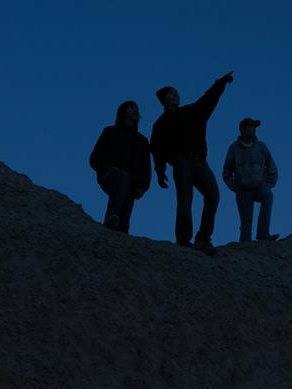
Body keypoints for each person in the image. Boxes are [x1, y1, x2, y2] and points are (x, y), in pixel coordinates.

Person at [150, 72, 234, 254]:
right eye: (171, 94)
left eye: (176, 92)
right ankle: (183, 240)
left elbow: (208, 99)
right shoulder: (160, 124)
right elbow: (157, 148)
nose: (175, 95)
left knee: (213, 195)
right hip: (181, 163)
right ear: (164, 100)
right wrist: (159, 169)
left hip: (200, 161)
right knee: (185, 201)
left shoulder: (191, 112)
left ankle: (203, 238)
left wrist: (220, 83)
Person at [89, 100, 151, 233]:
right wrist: (107, 167)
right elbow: (94, 158)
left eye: (136, 108)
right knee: (123, 177)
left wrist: (143, 187)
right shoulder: (109, 132)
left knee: (129, 186)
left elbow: (146, 168)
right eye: (131, 107)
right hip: (109, 174)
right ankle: (112, 217)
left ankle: (121, 229)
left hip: (132, 182)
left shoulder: (142, 141)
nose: (135, 111)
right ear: (123, 112)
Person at [222, 118, 279, 242]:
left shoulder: (261, 146)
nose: (254, 129)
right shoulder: (233, 148)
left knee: (268, 196)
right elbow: (226, 173)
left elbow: (272, 167)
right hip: (243, 189)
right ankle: (244, 246)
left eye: (254, 126)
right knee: (246, 222)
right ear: (242, 128)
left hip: (260, 186)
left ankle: (263, 235)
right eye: (251, 126)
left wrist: (269, 184)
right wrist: (234, 186)